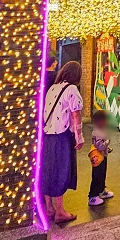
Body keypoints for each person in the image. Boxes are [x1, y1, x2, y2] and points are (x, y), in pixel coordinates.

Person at [41, 61, 84, 225]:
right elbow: (76, 115)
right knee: (61, 170)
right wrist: (79, 137)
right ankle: (60, 211)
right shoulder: (71, 89)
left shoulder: (53, 88)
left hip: (48, 135)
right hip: (62, 135)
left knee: (48, 170)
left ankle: (48, 208)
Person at [87, 109, 114, 206]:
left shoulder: (100, 131)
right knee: (97, 176)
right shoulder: (97, 133)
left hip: (102, 157)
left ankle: (101, 191)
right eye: (104, 120)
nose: (106, 122)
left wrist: (107, 147)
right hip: (98, 158)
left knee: (102, 175)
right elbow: (100, 146)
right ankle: (93, 196)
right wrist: (107, 141)